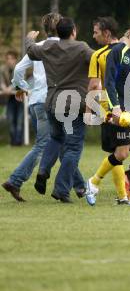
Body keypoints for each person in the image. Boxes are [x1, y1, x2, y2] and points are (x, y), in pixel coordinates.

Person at [25, 17, 93, 203]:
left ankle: (43, 170)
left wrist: (29, 38)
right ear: (73, 31)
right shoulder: (81, 48)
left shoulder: (48, 47)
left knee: (56, 138)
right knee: (72, 148)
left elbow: (31, 51)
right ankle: (62, 190)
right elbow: (99, 59)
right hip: (72, 105)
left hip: (52, 103)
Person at [2, 13, 61, 201]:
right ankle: (15, 180)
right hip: (54, 101)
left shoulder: (37, 47)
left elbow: (19, 70)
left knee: (56, 142)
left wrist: (23, 88)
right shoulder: (67, 47)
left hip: (36, 102)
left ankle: (77, 186)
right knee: (53, 144)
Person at [83, 17, 130, 206]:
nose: (93, 36)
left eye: (96, 32)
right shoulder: (127, 51)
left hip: (113, 110)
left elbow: (94, 85)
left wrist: (88, 110)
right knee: (121, 153)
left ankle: (121, 196)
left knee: (120, 152)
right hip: (117, 110)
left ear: (106, 33)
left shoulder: (99, 55)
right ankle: (101, 185)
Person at [0, 50, 24, 146]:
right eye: (8, 59)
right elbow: (1, 81)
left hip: (19, 97)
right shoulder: (2, 69)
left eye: (12, 59)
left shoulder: (20, 68)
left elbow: (17, 81)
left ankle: (18, 142)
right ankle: (13, 142)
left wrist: (9, 88)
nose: (10, 61)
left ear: (15, 60)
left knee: (19, 120)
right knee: (10, 120)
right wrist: (4, 88)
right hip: (9, 98)